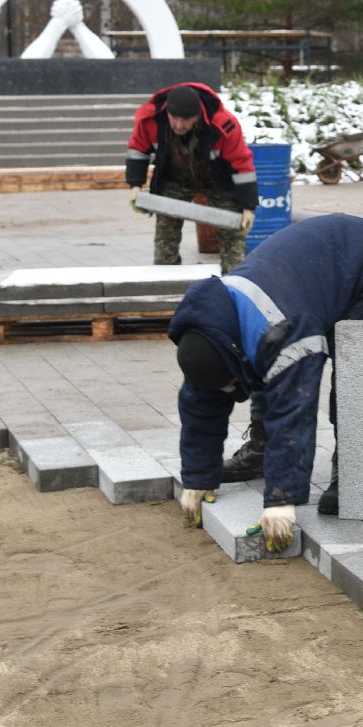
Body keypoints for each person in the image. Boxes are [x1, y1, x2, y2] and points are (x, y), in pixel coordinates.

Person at [171, 214, 363, 543]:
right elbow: (200, 405)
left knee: (354, 366)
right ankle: (262, 448)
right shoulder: (210, 332)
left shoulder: (283, 329)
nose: (230, 391)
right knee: (260, 365)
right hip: (317, 270)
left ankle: (356, 468)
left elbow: (293, 410)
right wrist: (198, 477)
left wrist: (280, 501)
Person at [126, 82, 266, 479]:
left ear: (197, 117)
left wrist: (247, 208)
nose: (179, 124)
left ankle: (236, 302)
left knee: (233, 241)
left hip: (215, 180)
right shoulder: (150, 118)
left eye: (185, 120)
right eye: (174, 119)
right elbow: (137, 149)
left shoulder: (223, 126)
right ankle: (166, 298)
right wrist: (135, 187)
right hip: (173, 179)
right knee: (165, 231)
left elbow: (241, 164)